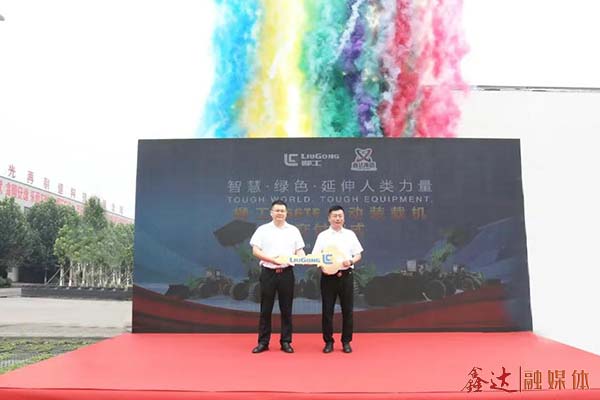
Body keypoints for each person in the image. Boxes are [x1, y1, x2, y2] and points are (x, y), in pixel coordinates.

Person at [249, 200, 305, 354]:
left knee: (286, 309)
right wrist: (272, 260)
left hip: (286, 273)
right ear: (271, 213)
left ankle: (286, 341)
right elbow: (255, 251)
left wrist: (303, 258)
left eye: (282, 211)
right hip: (268, 272)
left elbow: (299, 251)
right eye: (277, 210)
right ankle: (263, 342)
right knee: (265, 309)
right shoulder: (262, 230)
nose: (280, 213)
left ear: (286, 213)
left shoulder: (293, 230)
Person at [312, 205, 363, 353]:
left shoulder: (350, 235)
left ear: (344, 218)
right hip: (328, 278)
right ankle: (328, 342)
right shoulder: (322, 236)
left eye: (340, 216)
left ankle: (346, 341)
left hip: (346, 276)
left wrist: (351, 261)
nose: (338, 218)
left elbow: (358, 254)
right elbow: (315, 256)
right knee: (327, 311)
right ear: (329, 218)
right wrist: (322, 266)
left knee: (348, 310)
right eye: (335, 216)